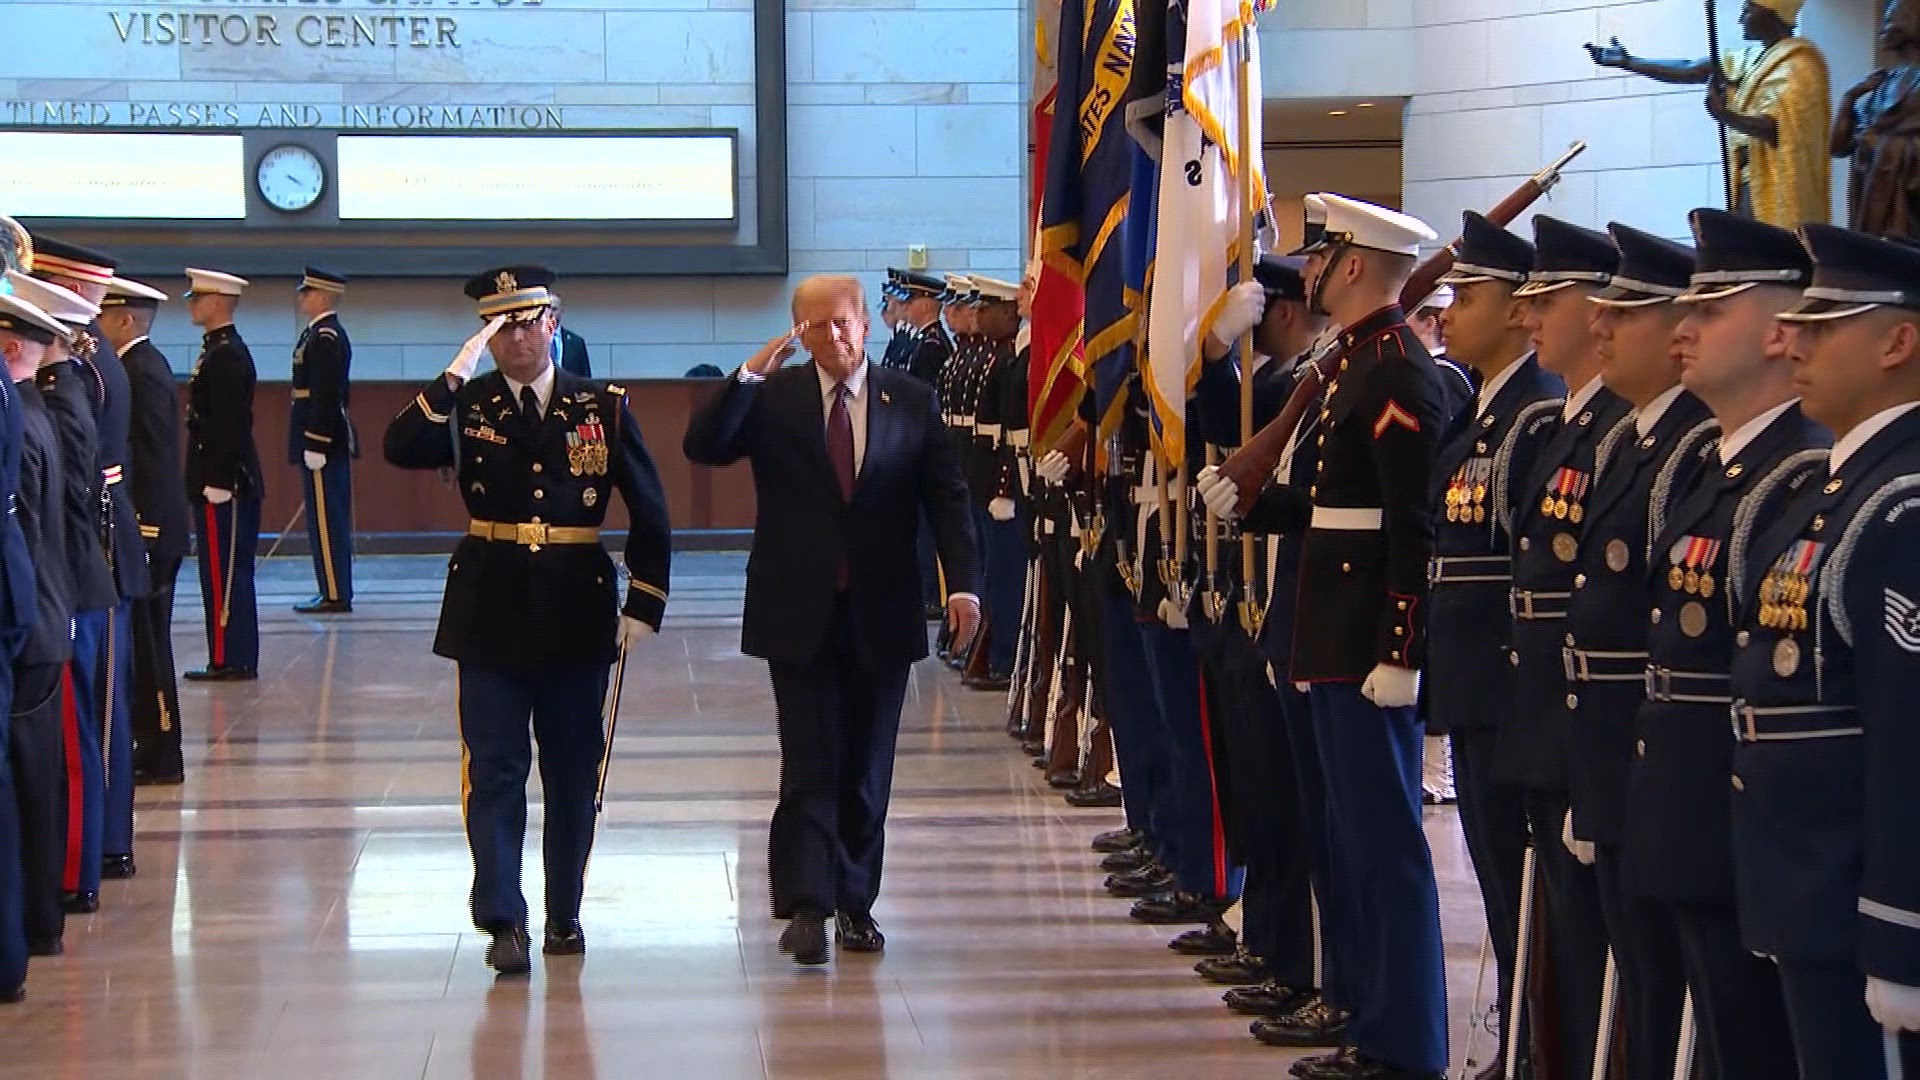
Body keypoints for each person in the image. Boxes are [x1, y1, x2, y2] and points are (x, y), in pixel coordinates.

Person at [1198, 193, 1450, 1080]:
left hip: (1361, 649)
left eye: (1318, 257)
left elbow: (1415, 530)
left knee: (1386, 848)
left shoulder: (1396, 373)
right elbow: (1331, 509)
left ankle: (1407, 1042)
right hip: (1323, 635)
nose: (1305, 271)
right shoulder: (1351, 366)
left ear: (1348, 267)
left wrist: (1399, 649)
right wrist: (1254, 501)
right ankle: (1360, 1010)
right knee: (1345, 837)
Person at [683, 274, 980, 966]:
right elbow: (704, 444)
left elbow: (948, 497)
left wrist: (964, 587)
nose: (833, 336)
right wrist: (751, 372)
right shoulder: (775, 400)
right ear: (799, 334)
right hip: (798, 607)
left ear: (865, 324)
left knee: (868, 765)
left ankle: (855, 903)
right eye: (815, 327)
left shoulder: (910, 400)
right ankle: (807, 904)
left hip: (881, 606)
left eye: (842, 322)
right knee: (809, 758)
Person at [383, 264, 672, 976]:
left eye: (527, 321)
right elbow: (400, 446)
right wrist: (453, 374)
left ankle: (565, 911)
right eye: (500, 324)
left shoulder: (600, 405)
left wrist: (645, 601)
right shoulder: (469, 402)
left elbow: (651, 504)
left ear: (554, 321)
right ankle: (503, 919)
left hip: (577, 608)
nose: (516, 337)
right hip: (491, 606)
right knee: (495, 769)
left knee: (574, 771)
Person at [1623, 207, 1819, 1080]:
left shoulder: (1800, 478)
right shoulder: (1716, 465)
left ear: (1782, 332)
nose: (1683, 329)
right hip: (1690, 815)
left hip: (1749, 830)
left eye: (1712, 307)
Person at [1731, 224, 1920, 1079]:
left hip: (1854, 905)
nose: (1794, 339)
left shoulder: (1903, 506)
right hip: (1806, 893)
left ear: (1899, 340)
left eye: (1826, 322)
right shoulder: (1844, 487)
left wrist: (1901, 929)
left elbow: (1907, 742)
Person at [1568, 223, 1715, 1080]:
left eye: (1626, 314)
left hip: (1662, 764)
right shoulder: (1633, 440)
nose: (1600, 329)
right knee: (1642, 978)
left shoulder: (1691, 449)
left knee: (1678, 990)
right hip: (1610, 748)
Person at [1426, 210, 1566, 1076]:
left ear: (1519, 310)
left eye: (1468, 297)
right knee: (1500, 890)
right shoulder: (1488, 410)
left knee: (1527, 897)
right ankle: (1517, 1042)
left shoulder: (1537, 415)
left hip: (1511, 696)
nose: (1447, 313)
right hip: (1475, 691)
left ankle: (1532, 1046)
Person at [1501, 215, 1628, 1079]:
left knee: (1607, 956)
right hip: (1544, 715)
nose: (1528, 315)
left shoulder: (1617, 433)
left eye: (1550, 297)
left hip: (1599, 735)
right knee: (1567, 942)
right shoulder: (1561, 428)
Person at [28, 237, 149, 895]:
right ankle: (101, 847)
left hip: (87, 554)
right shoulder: (87, 359)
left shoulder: (76, 371)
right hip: (96, 549)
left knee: (86, 723)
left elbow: (77, 483)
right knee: (97, 716)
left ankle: (86, 858)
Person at [8, 269, 117, 916]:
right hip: (54, 601)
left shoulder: (40, 410)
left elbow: (61, 512)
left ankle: (57, 894)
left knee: (46, 768)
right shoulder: (44, 403)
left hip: (46, 607)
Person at [1586, 0, 1830, 228]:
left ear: (1771, 14)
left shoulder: (1801, 64)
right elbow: (1691, 69)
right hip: (1747, 178)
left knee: (1772, 252)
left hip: (1779, 183)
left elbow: (1779, 129)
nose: (1740, 19)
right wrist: (1631, 62)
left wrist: (1727, 116)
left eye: (1747, 10)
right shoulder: (1749, 59)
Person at [3, 275, 83, 959]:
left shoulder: (20, 422)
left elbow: (21, 538)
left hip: (26, 624)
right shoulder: (38, 412)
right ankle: (40, 918)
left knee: (27, 785)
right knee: (37, 778)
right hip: (47, 615)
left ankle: (31, 921)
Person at [98, 277, 191, 785]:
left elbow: (152, 456)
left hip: (152, 528)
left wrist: (145, 528)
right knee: (144, 642)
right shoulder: (136, 366)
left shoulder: (141, 369)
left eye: (105, 318)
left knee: (152, 647)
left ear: (126, 320)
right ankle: (150, 743)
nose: (97, 326)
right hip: (147, 528)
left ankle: (161, 749)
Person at [182, 268, 262, 682]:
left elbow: (231, 423)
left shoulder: (227, 353)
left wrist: (220, 479)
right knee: (219, 573)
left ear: (217, 302)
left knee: (225, 574)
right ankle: (230, 654)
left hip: (225, 483)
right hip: (218, 477)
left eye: (197, 298)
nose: (192, 305)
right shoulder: (217, 348)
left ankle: (231, 657)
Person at [289, 267, 356, 615]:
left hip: (323, 440)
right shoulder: (316, 334)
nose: (301, 298)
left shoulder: (326, 336)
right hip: (317, 436)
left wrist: (316, 441)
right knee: (322, 519)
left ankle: (334, 592)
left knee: (328, 520)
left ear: (323, 296)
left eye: (307, 292)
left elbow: (327, 395)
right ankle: (329, 587)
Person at [1831, 0, 1920, 239]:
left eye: (1891, 20)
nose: (1882, 28)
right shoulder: (1882, 82)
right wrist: (1850, 98)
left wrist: (1883, 146)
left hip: (1911, 214)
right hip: (1873, 209)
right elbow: (1838, 147)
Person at [549, 294, 591, 378]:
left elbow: (585, 376)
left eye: (554, 309)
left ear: (561, 311)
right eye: (547, 309)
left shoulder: (576, 342)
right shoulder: (533, 340)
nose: (550, 313)